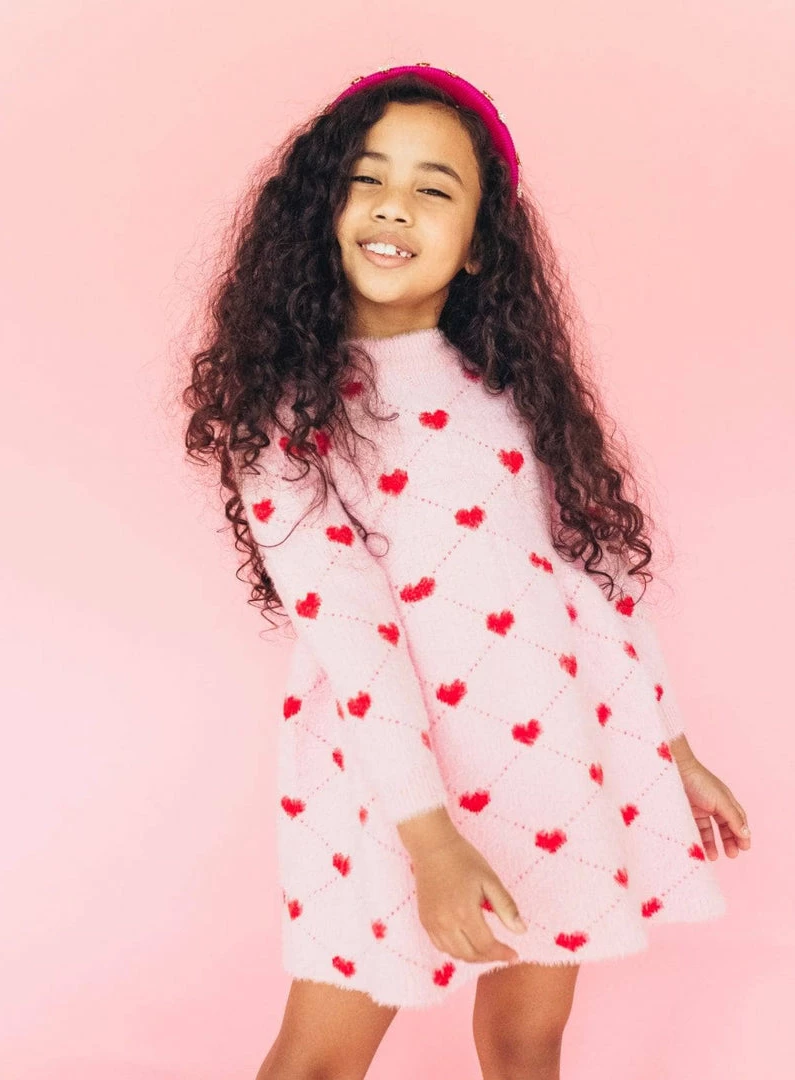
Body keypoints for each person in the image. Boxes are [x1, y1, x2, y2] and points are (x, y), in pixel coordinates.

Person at [182, 62, 751, 1080]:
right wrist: (432, 841)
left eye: (433, 188)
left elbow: (588, 587)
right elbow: (351, 635)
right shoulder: (288, 419)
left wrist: (672, 746)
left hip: (548, 756)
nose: (394, 205)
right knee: (319, 1056)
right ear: (321, 207)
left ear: (481, 241)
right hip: (392, 782)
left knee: (529, 1039)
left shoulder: (512, 390)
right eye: (366, 178)